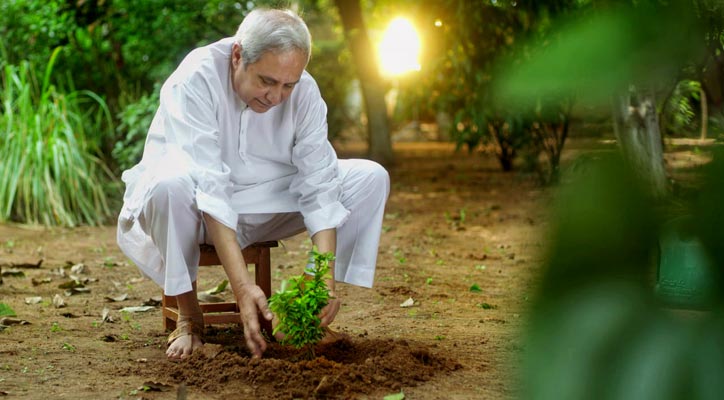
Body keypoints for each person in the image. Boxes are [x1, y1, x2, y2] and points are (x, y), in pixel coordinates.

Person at [116, 8, 390, 361]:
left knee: (369, 178)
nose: (277, 97)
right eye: (266, 81)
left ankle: (306, 312)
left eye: (288, 85)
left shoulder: (304, 91)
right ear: (237, 55)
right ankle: (189, 316)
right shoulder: (195, 78)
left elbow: (319, 183)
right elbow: (209, 186)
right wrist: (242, 287)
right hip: (195, 210)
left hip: (267, 200)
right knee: (169, 186)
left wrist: (323, 274)